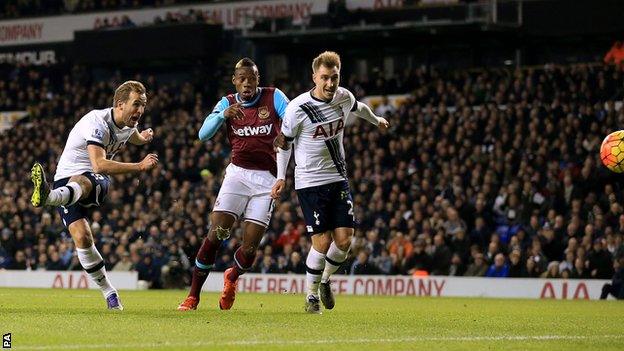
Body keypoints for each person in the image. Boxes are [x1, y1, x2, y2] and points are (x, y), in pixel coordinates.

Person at [271, 51, 389, 313]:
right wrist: (281, 177)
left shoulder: (344, 97)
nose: (330, 83)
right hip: (310, 182)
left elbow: (359, 107)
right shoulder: (298, 108)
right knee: (322, 244)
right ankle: (311, 296)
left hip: (338, 178)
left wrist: (376, 120)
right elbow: (284, 144)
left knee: (345, 242)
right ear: (314, 77)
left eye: (334, 77)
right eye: (324, 78)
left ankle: (325, 281)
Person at [30, 80, 158, 310]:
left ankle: (48, 197)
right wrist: (139, 166)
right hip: (70, 177)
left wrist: (144, 138)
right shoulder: (97, 122)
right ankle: (110, 293)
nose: (140, 110)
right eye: (136, 104)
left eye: (144, 105)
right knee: (82, 238)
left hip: (90, 181)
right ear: (120, 104)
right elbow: (99, 164)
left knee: (84, 181)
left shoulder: (128, 123)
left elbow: (132, 135)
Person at [177, 58, 289, 311]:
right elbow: (203, 135)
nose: (247, 83)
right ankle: (193, 296)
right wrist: (221, 115)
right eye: (242, 78)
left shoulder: (274, 97)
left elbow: (291, 119)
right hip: (237, 175)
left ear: (258, 79)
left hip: (267, 180)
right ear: (234, 81)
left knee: (249, 248)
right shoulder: (227, 103)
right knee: (216, 233)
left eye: (252, 78)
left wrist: (285, 133)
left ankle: (232, 276)